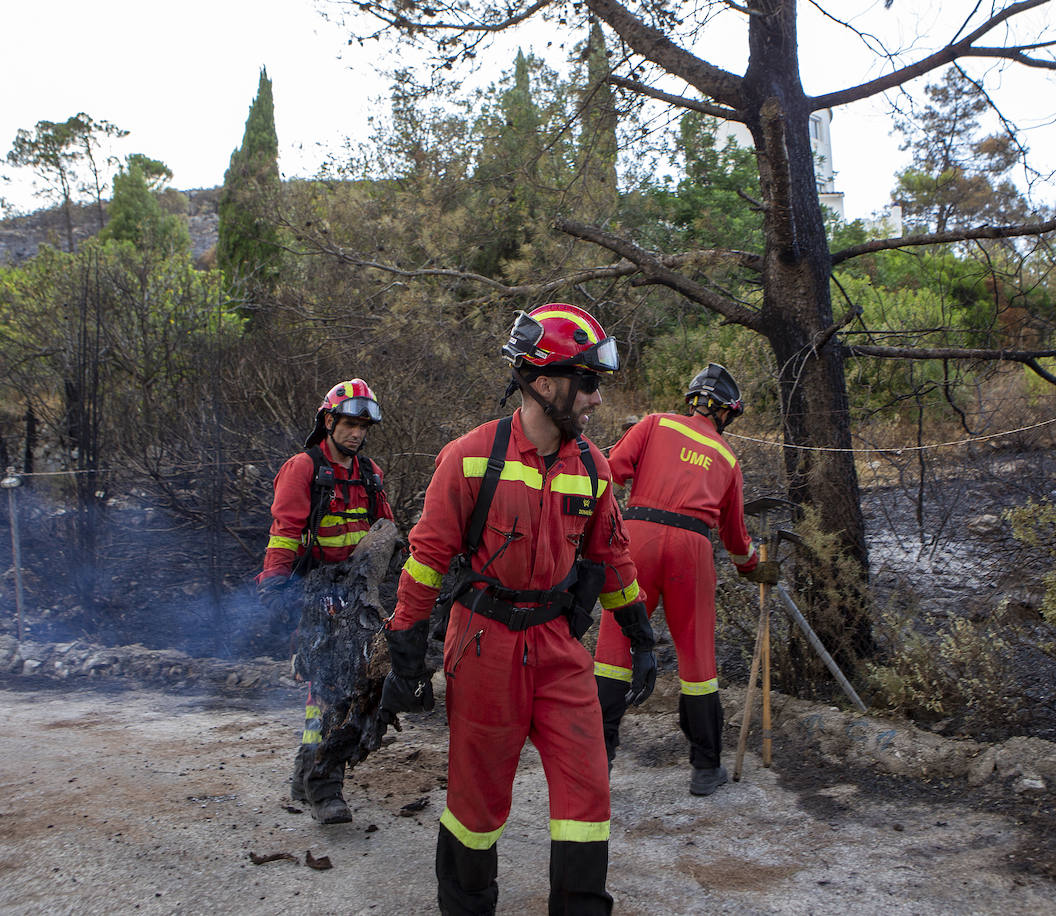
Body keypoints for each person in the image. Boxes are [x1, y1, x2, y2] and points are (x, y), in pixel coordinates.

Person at [381, 303, 657, 915]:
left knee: (587, 793)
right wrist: (405, 648)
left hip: (558, 647)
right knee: (478, 805)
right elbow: (426, 561)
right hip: (483, 645)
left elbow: (612, 557)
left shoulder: (592, 466)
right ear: (544, 380)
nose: (596, 400)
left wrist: (639, 633)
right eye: (588, 382)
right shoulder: (470, 458)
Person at [593, 363, 778, 797]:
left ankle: (596, 761)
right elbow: (735, 538)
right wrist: (754, 568)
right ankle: (705, 768)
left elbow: (608, 470)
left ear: (693, 401)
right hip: (692, 551)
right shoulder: (729, 459)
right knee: (697, 657)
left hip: (636, 537)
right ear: (726, 413)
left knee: (613, 650)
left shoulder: (654, 424)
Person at [257, 378, 393, 825]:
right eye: (349, 423)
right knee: (332, 689)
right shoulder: (304, 468)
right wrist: (275, 582)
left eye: (363, 426)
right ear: (328, 421)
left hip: (360, 595)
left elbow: (386, 531)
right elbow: (285, 528)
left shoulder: (369, 474)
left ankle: (306, 771)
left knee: (344, 689)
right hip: (320, 593)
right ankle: (324, 784)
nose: (357, 433)